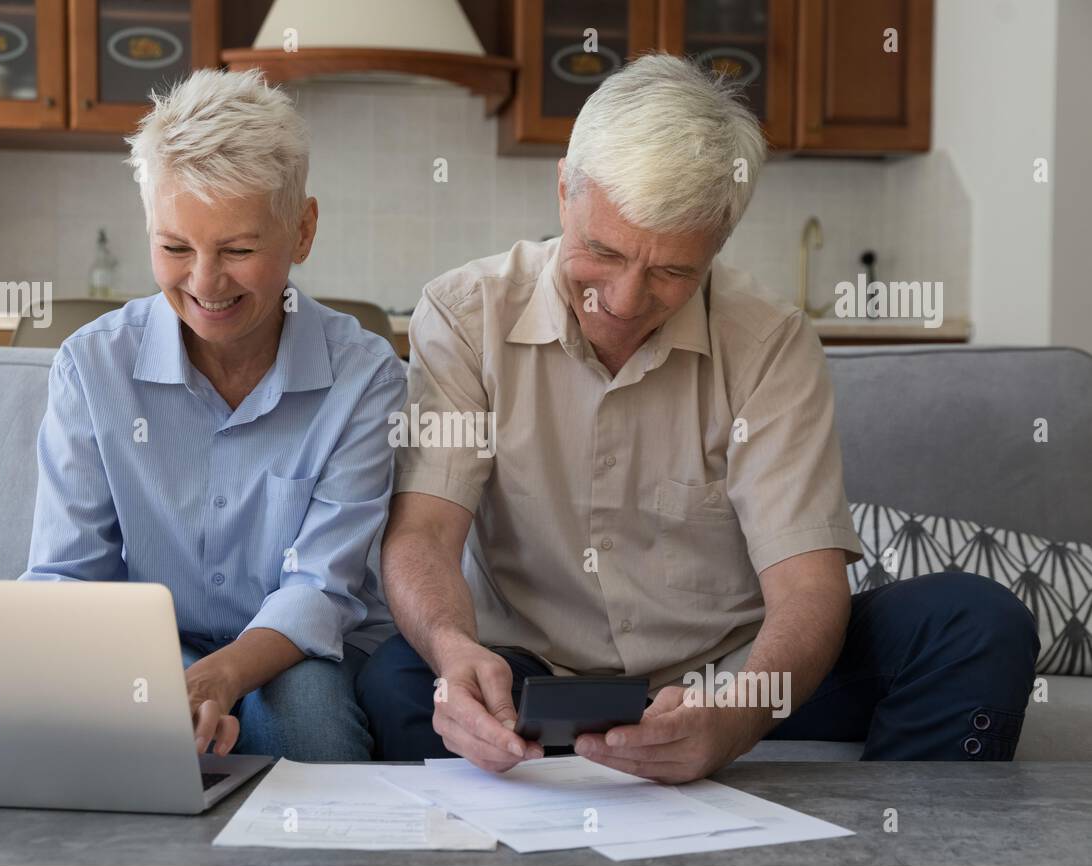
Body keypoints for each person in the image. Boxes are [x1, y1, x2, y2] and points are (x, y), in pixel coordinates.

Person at [356, 54, 1038, 781]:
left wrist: (737, 716)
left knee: (977, 622)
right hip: (535, 677)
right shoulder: (465, 315)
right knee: (402, 680)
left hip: (736, 673)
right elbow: (424, 532)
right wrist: (457, 653)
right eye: (602, 251)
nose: (622, 300)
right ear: (563, 191)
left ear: (719, 242)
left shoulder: (770, 341)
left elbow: (807, 588)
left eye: (672, 272)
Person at [21, 68, 405, 761]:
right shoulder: (90, 367)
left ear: (303, 230)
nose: (204, 283)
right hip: (144, 648)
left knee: (305, 721)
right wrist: (155, 685)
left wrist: (217, 679)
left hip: (301, 651)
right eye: (174, 248)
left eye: (238, 250)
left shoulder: (366, 376)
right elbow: (69, 576)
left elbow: (320, 587)